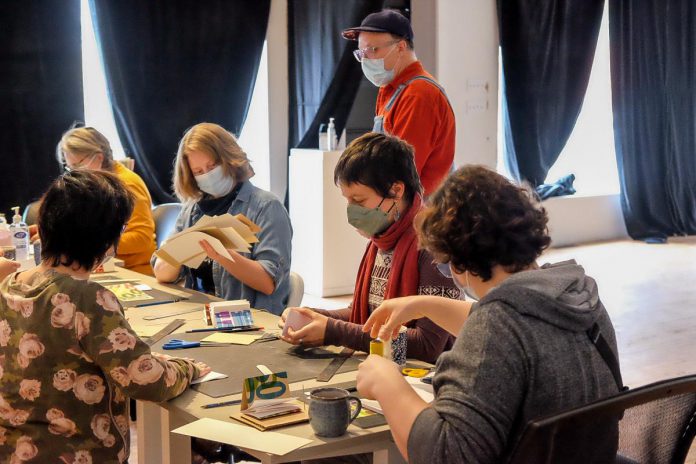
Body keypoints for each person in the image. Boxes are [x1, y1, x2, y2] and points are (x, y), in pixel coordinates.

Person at [357, 166, 623, 463]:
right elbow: (513, 326)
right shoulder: (578, 296)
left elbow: (444, 456)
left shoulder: (496, 326)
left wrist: (386, 383)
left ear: (459, 261)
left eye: (446, 265)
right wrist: (421, 304)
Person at [0, 170, 210, 462]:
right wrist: (187, 368)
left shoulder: (10, 286)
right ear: (104, 238)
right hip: (75, 454)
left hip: (14, 450)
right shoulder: (89, 299)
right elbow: (148, 382)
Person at [280, 133, 459, 363]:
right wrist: (313, 317)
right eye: (348, 200)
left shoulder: (432, 246)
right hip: (383, 368)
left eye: (359, 201)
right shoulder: (382, 239)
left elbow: (427, 347)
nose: (351, 211)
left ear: (396, 191)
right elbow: (363, 315)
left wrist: (333, 331)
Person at [152, 123, 292, 315]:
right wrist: (182, 249)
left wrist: (222, 254)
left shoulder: (266, 207)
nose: (207, 175)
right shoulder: (192, 210)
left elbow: (268, 283)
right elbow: (162, 273)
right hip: (201, 316)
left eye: (212, 166)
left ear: (229, 159)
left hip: (250, 321)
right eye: (198, 172)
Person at [343, 9, 455, 196]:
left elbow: (403, 171)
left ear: (401, 46)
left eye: (371, 50)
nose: (365, 60)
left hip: (418, 212)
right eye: (361, 53)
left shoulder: (418, 94)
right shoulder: (391, 89)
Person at [56, 126, 157, 275]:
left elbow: (142, 238)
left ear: (98, 157)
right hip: (106, 268)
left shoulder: (127, 184)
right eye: (70, 168)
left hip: (135, 272)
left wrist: (92, 244)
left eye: (78, 165)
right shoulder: (96, 183)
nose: (75, 174)